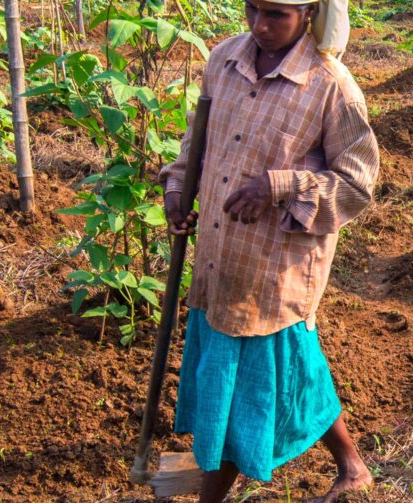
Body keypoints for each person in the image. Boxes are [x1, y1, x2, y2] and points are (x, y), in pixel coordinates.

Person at [154, 0, 377, 501]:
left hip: (275, 265)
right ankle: (352, 464)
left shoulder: (330, 85)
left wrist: (278, 186)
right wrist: (177, 192)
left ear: (308, 13)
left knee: (244, 391)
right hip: (220, 253)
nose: (260, 25)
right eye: (251, 8)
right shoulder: (224, 60)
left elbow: (357, 183)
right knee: (296, 363)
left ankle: (212, 495)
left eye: (277, 14)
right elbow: (197, 142)